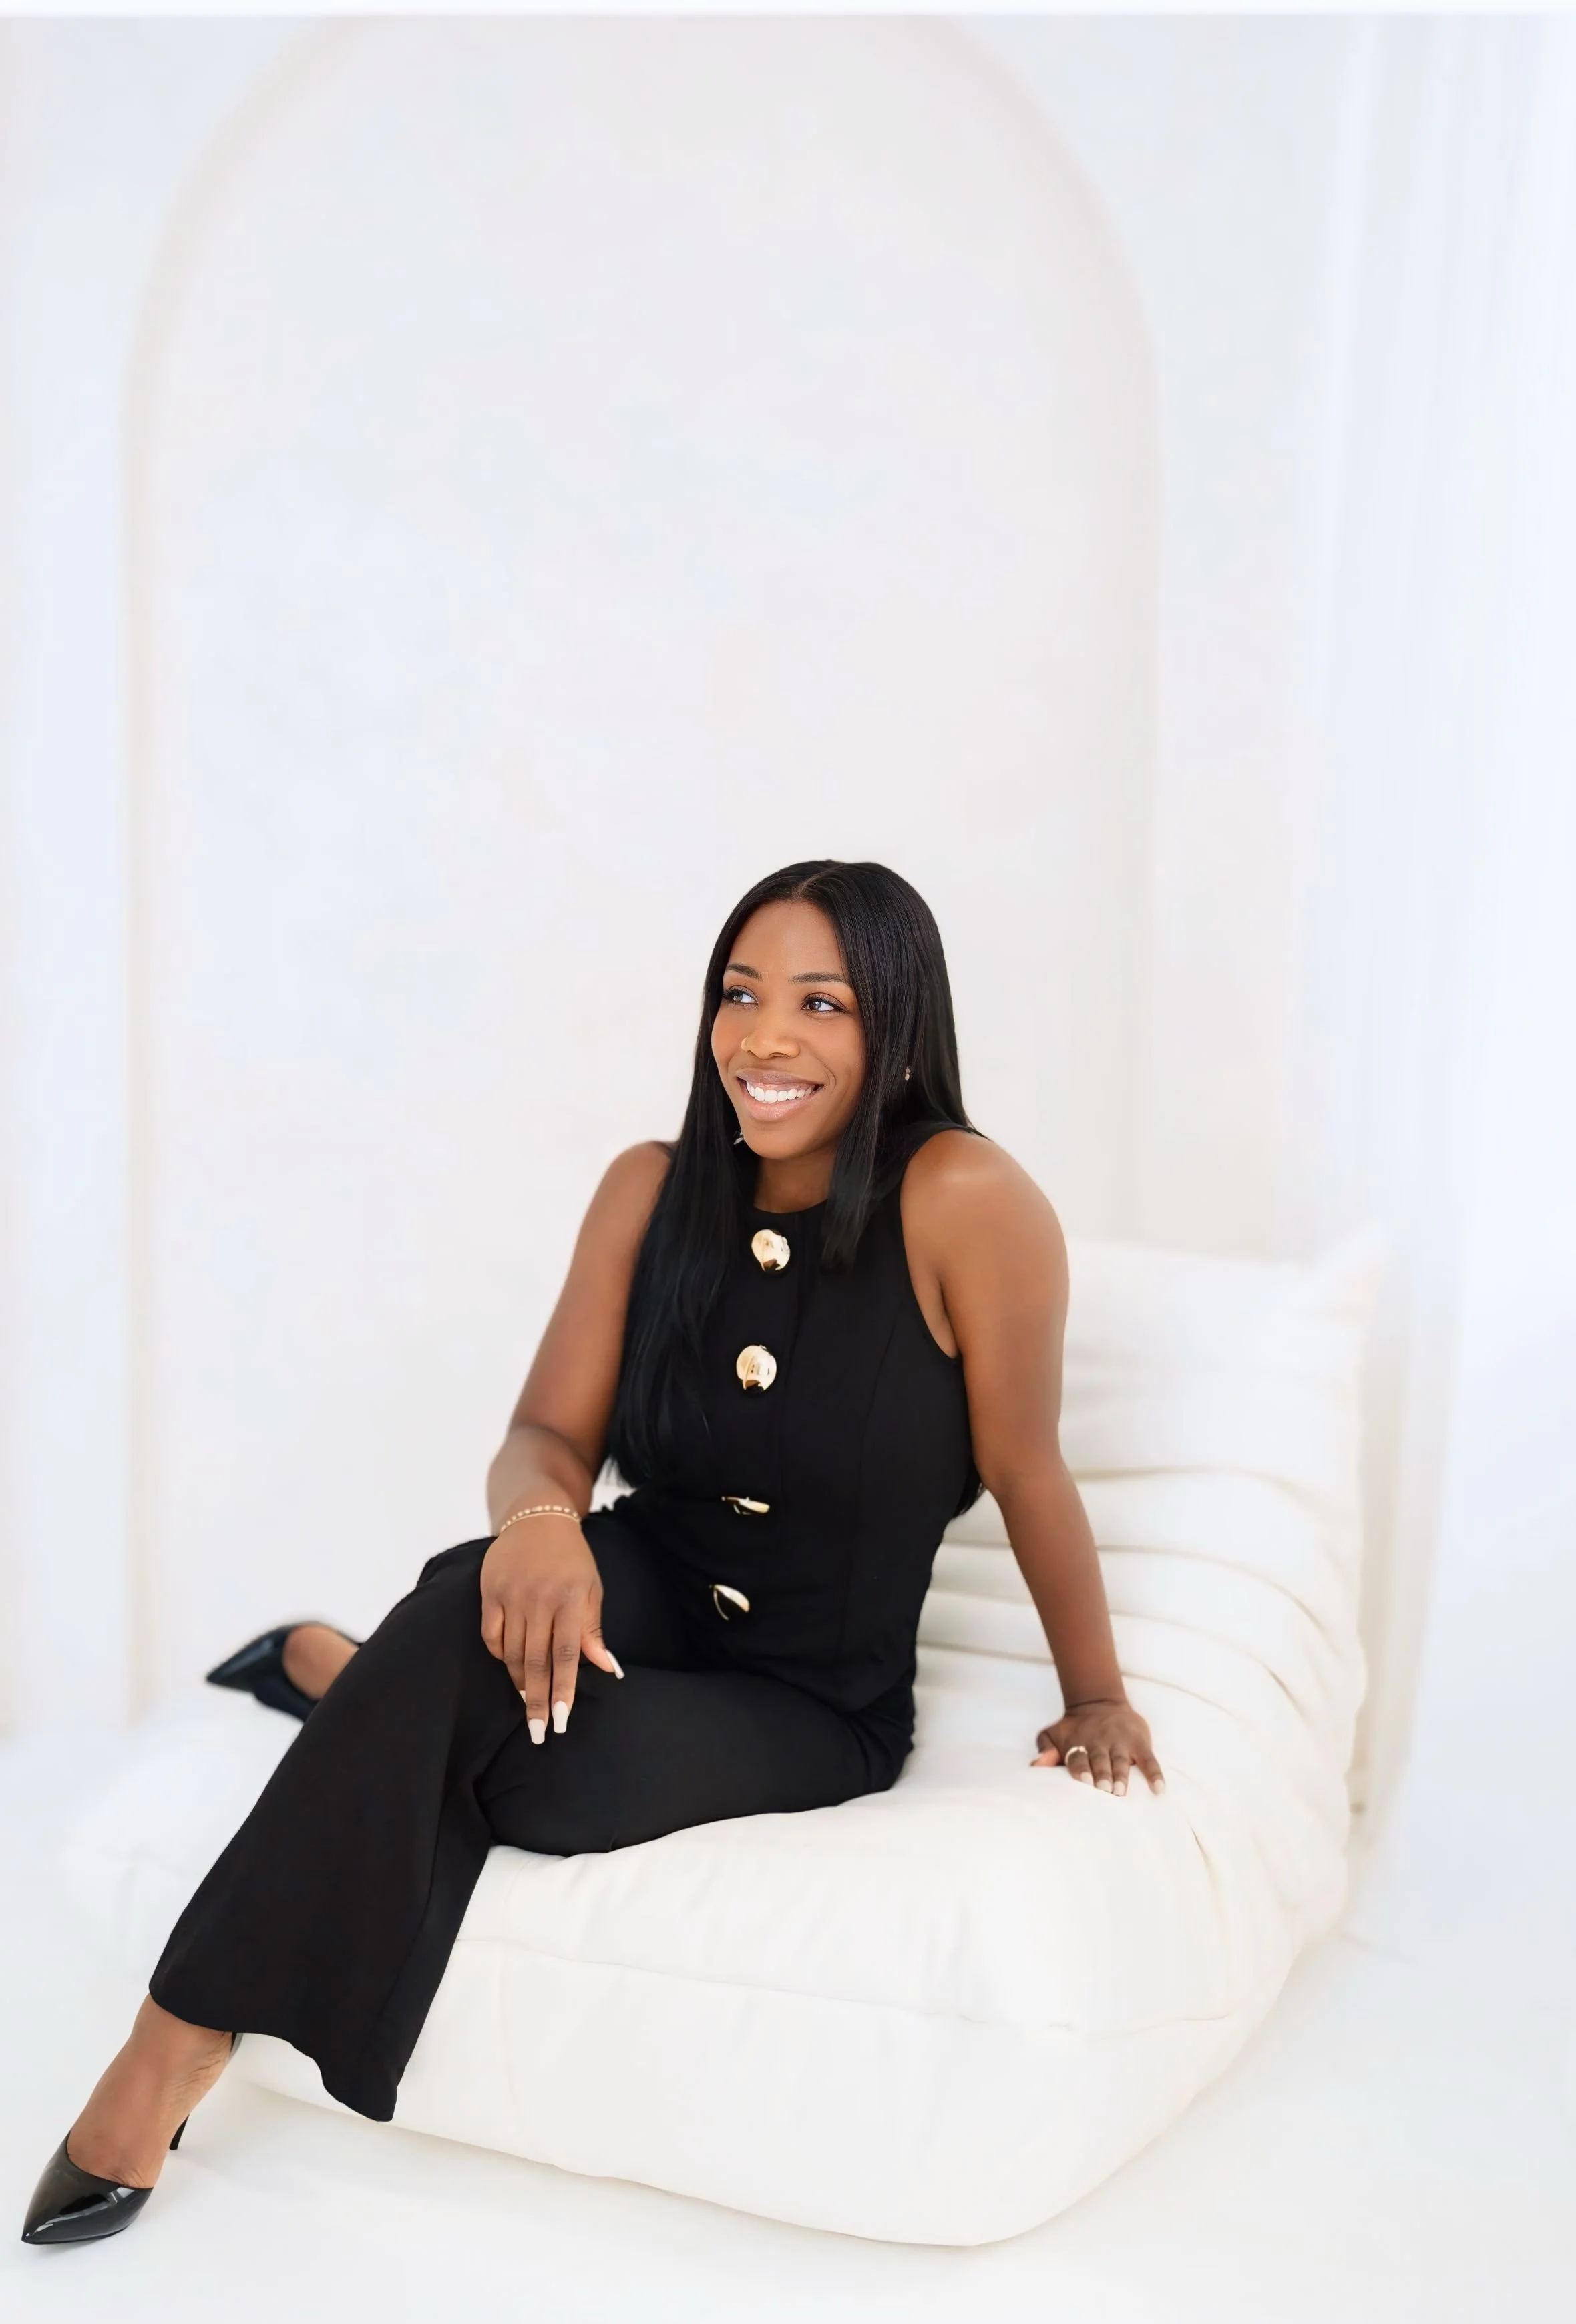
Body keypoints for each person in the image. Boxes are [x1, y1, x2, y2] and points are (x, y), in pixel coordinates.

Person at [21, 857, 1163, 2247]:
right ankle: (170, 2045)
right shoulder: (650, 1188)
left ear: (901, 1030)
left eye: (822, 1003)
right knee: (472, 1603)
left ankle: (351, 1683)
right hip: (645, 1574)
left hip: (808, 1687)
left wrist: (1094, 1689)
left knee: (543, 1773)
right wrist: (542, 1527)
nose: (765, 1038)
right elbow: (540, 1436)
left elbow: (1026, 1465)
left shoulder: (966, 1199)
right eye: (739, 995)